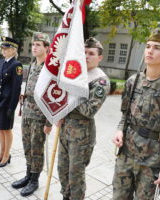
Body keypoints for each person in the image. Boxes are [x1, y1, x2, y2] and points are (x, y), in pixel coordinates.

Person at [112, 29, 160, 199]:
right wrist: (119, 130)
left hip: (152, 160)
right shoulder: (133, 81)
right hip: (126, 154)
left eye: (157, 47)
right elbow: (125, 114)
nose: (149, 50)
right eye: (148, 46)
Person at [56, 37, 110, 200]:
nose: (86, 56)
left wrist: (71, 90)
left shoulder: (100, 80)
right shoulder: (76, 74)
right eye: (84, 52)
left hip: (82, 137)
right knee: (62, 170)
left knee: (76, 177)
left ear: (99, 57)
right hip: (66, 130)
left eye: (91, 53)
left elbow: (89, 110)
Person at [11, 32, 52, 196]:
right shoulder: (33, 64)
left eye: (38, 45)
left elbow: (53, 97)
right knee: (27, 145)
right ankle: (28, 175)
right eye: (33, 44)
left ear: (47, 48)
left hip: (40, 115)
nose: (34, 47)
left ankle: (34, 180)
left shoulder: (50, 69)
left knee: (36, 148)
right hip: (28, 111)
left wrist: (49, 122)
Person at [0, 36, 23, 167]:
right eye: (2, 48)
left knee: (6, 129)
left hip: (7, 103)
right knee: (0, 128)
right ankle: (1, 153)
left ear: (14, 50)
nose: (3, 50)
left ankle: (6, 155)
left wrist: (12, 107)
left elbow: (16, 88)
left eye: (6, 48)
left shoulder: (16, 65)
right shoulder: (0, 62)